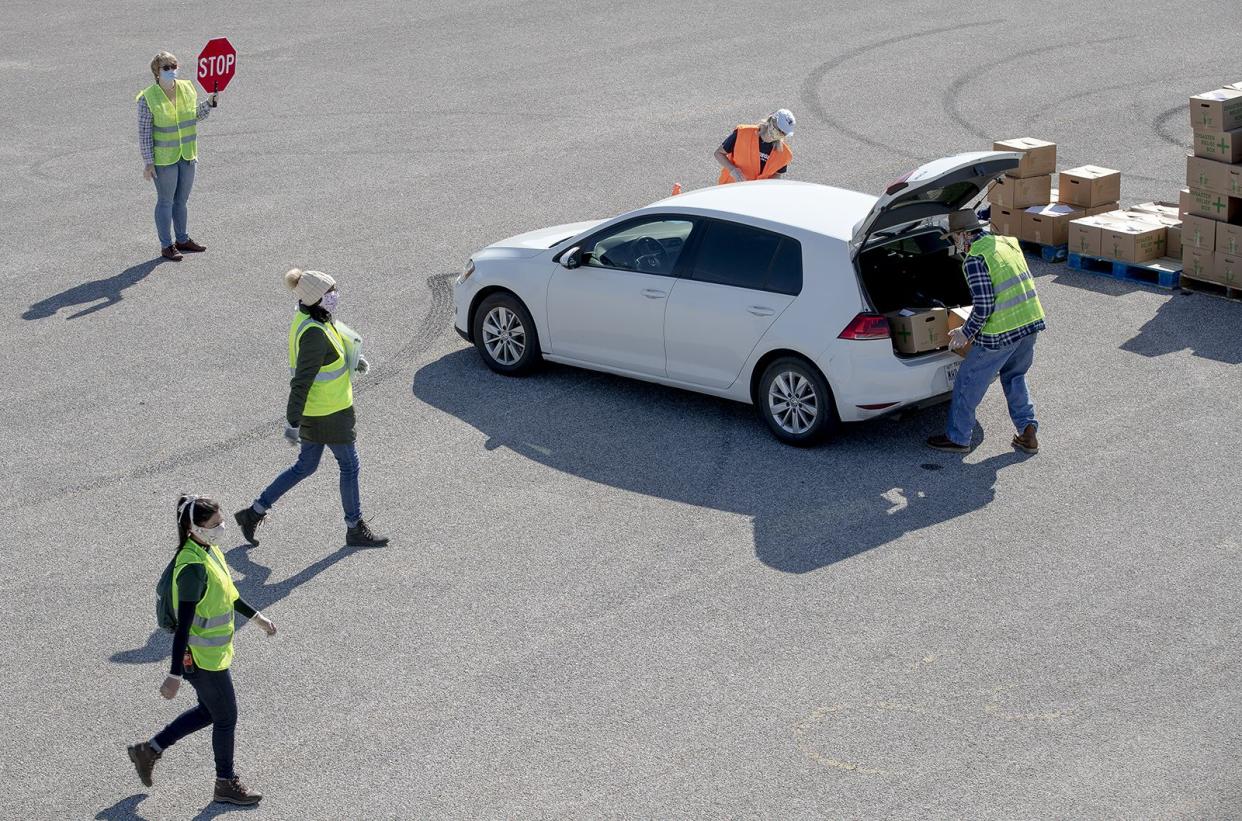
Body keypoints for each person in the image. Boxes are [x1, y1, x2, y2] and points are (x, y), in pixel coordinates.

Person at [127, 495, 275, 805]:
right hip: (200, 658)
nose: (221, 527)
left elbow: (230, 595)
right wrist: (174, 675)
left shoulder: (209, 551)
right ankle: (225, 783)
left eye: (221, 522)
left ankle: (149, 750)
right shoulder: (192, 568)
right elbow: (183, 625)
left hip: (213, 655)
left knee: (210, 711)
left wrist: (258, 618)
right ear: (193, 528)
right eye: (214, 524)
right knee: (226, 717)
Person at [234, 269, 389, 548]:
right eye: (330, 292)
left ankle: (253, 512)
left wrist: (355, 357)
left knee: (305, 466)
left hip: (321, 412)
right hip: (329, 413)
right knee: (350, 465)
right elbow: (301, 382)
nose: (334, 296)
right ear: (316, 298)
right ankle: (354, 527)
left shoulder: (310, 316)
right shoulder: (313, 334)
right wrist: (292, 423)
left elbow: (337, 333)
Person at [928, 212, 1045, 454]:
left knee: (966, 383)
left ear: (963, 235)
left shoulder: (974, 259)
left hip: (1000, 333)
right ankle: (1027, 430)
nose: (954, 244)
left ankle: (958, 438)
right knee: (1015, 376)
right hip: (1029, 321)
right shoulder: (1006, 243)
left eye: (953, 238)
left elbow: (984, 305)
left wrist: (965, 332)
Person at [137, 50, 218, 261]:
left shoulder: (187, 88)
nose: (172, 71)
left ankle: (183, 239)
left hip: (187, 154)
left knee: (181, 200)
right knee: (166, 201)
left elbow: (194, 116)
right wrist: (148, 162)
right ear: (157, 72)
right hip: (164, 159)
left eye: (174, 66)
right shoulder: (147, 98)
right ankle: (167, 245)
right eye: (166, 68)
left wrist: (209, 103)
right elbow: (144, 132)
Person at [715, 109, 795, 184]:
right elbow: (718, 153)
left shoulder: (784, 154)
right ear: (771, 120)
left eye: (783, 133)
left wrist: (769, 186)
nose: (779, 133)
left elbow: (777, 173)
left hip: (756, 195)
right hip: (730, 188)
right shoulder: (743, 133)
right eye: (778, 128)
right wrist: (732, 169)